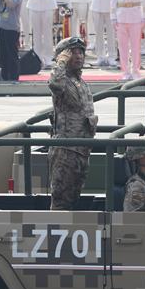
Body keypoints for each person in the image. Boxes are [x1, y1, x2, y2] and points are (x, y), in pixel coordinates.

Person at [48, 37, 97, 210]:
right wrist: (60, 62)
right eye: (73, 53)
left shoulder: (80, 82)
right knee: (61, 202)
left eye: (81, 52)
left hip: (82, 151)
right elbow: (54, 83)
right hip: (66, 152)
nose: (78, 56)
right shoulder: (63, 80)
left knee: (74, 201)